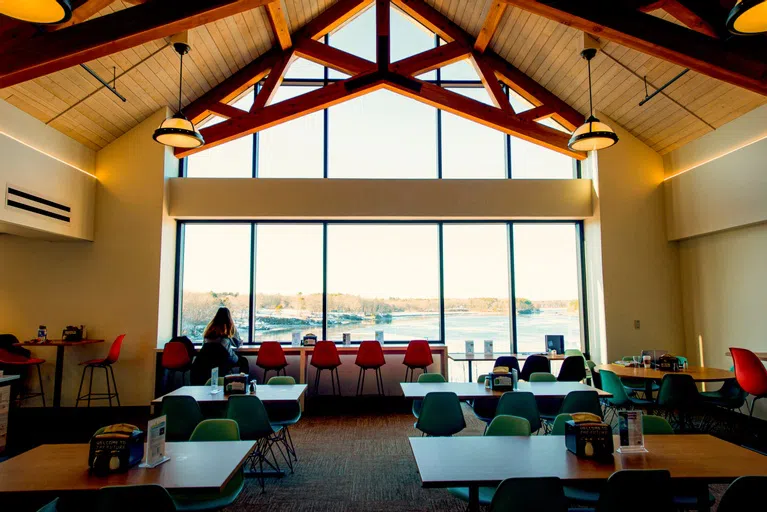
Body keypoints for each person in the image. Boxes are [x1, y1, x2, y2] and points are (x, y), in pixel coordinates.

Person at [202, 307, 249, 375]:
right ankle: (241, 381)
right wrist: (241, 341)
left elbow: (204, 345)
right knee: (244, 361)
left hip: (209, 359)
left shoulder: (209, 328)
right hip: (225, 358)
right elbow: (237, 343)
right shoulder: (229, 327)